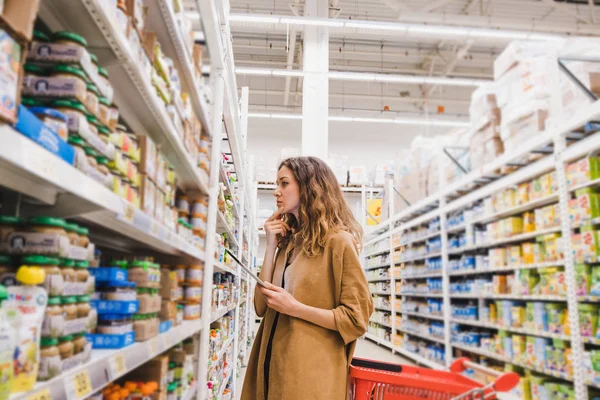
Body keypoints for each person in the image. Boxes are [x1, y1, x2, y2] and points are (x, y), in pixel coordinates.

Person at [241, 156, 373, 400]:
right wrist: (270, 247)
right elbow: (260, 307)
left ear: (309, 186)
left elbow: (356, 319)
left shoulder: (338, 242)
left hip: (310, 372)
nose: (275, 192)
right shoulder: (289, 242)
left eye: (283, 183)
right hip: (272, 363)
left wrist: (295, 308)